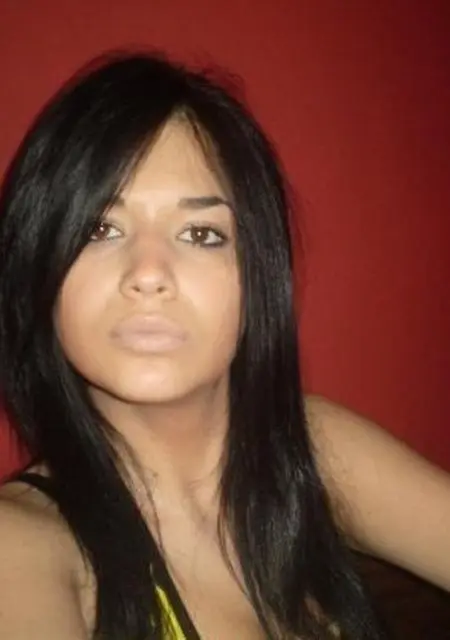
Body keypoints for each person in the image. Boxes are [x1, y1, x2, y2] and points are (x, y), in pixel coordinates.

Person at [0, 51, 448, 640]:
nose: (149, 273)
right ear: (40, 263)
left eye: (201, 233)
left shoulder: (314, 447)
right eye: (100, 229)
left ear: (255, 278)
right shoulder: (21, 545)